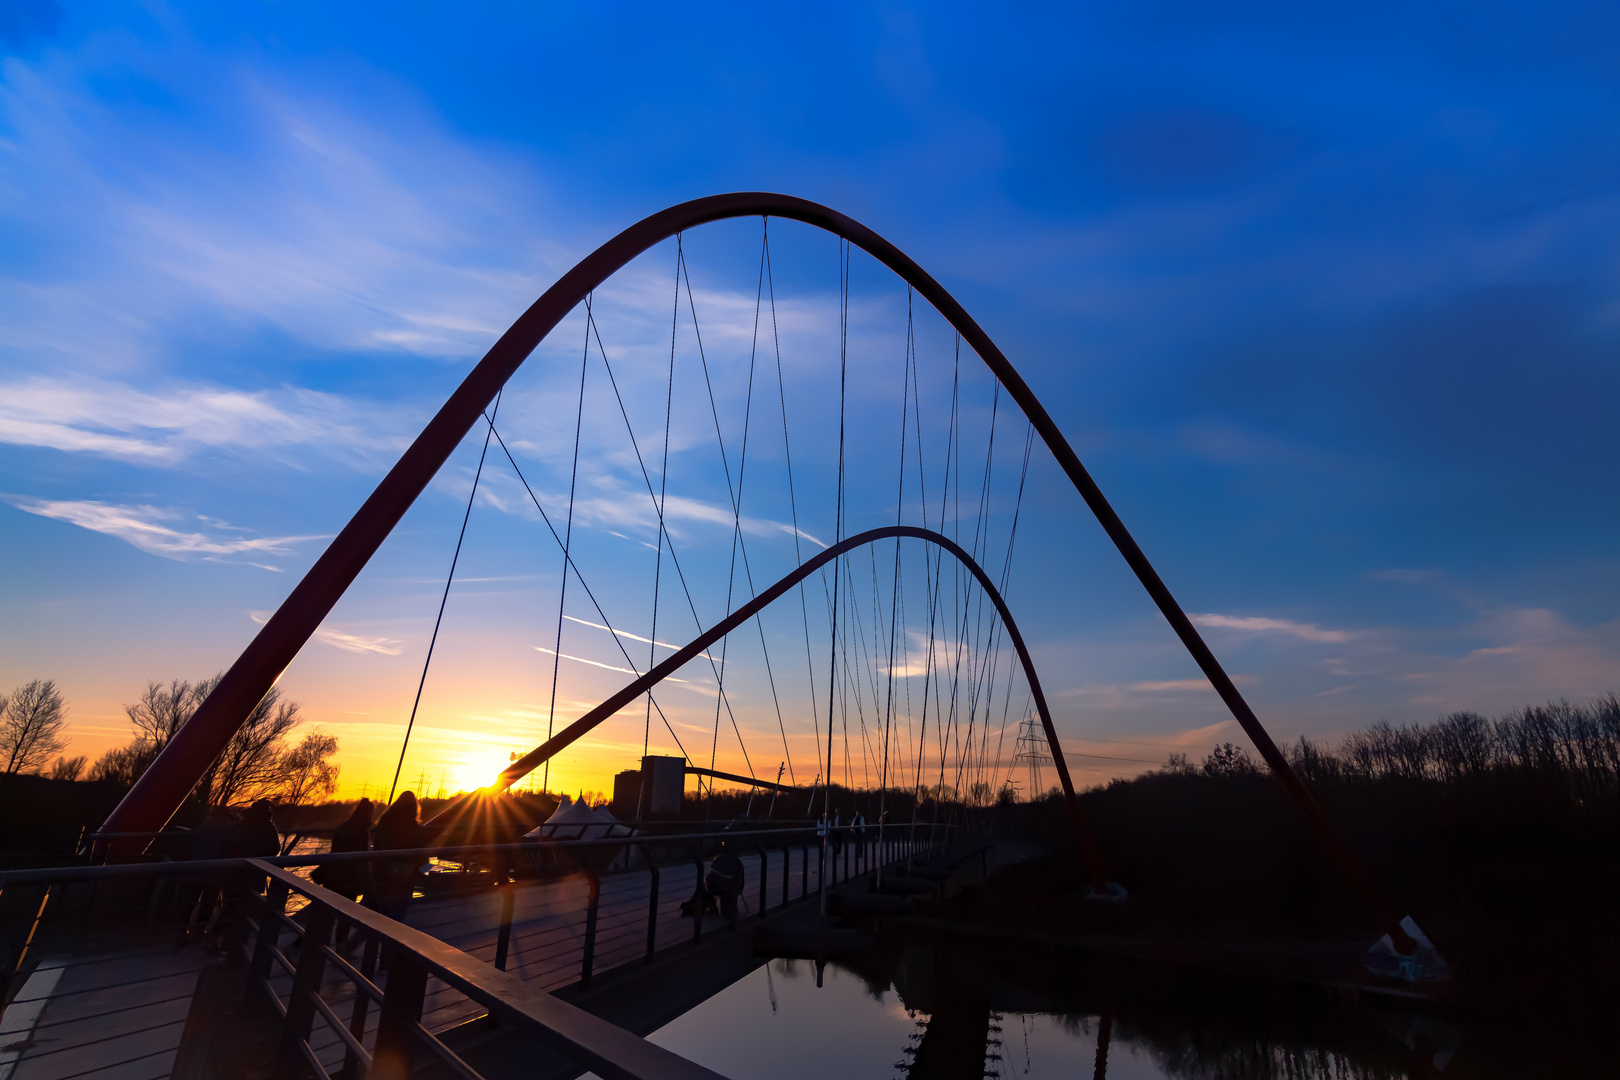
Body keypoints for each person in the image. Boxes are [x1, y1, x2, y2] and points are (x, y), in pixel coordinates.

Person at [207, 800, 280, 952]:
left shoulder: (240, 825)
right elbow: (274, 849)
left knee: (231, 905)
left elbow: (226, 845)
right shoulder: (267, 827)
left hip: (233, 872)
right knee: (243, 908)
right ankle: (228, 942)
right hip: (253, 873)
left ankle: (216, 938)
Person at [314, 798, 373, 945]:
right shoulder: (361, 831)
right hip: (349, 880)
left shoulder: (344, 827)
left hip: (333, 876)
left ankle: (301, 944)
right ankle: (341, 950)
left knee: (325, 915)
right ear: (368, 814)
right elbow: (360, 859)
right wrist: (367, 880)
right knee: (345, 917)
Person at [368, 791, 428, 923]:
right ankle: (388, 940)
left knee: (378, 911)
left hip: (382, 874)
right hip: (405, 877)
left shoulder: (385, 820)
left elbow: (377, 845)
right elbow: (420, 853)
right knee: (397, 913)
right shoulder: (413, 826)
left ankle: (372, 938)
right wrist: (423, 872)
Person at [704, 841, 745, 928]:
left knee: (706, 885)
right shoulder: (738, 862)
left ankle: (712, 909)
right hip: (736, 888)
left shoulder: (718, 859)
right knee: (723, 884)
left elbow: (712, 877)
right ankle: (727, 909)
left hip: (724, 889)